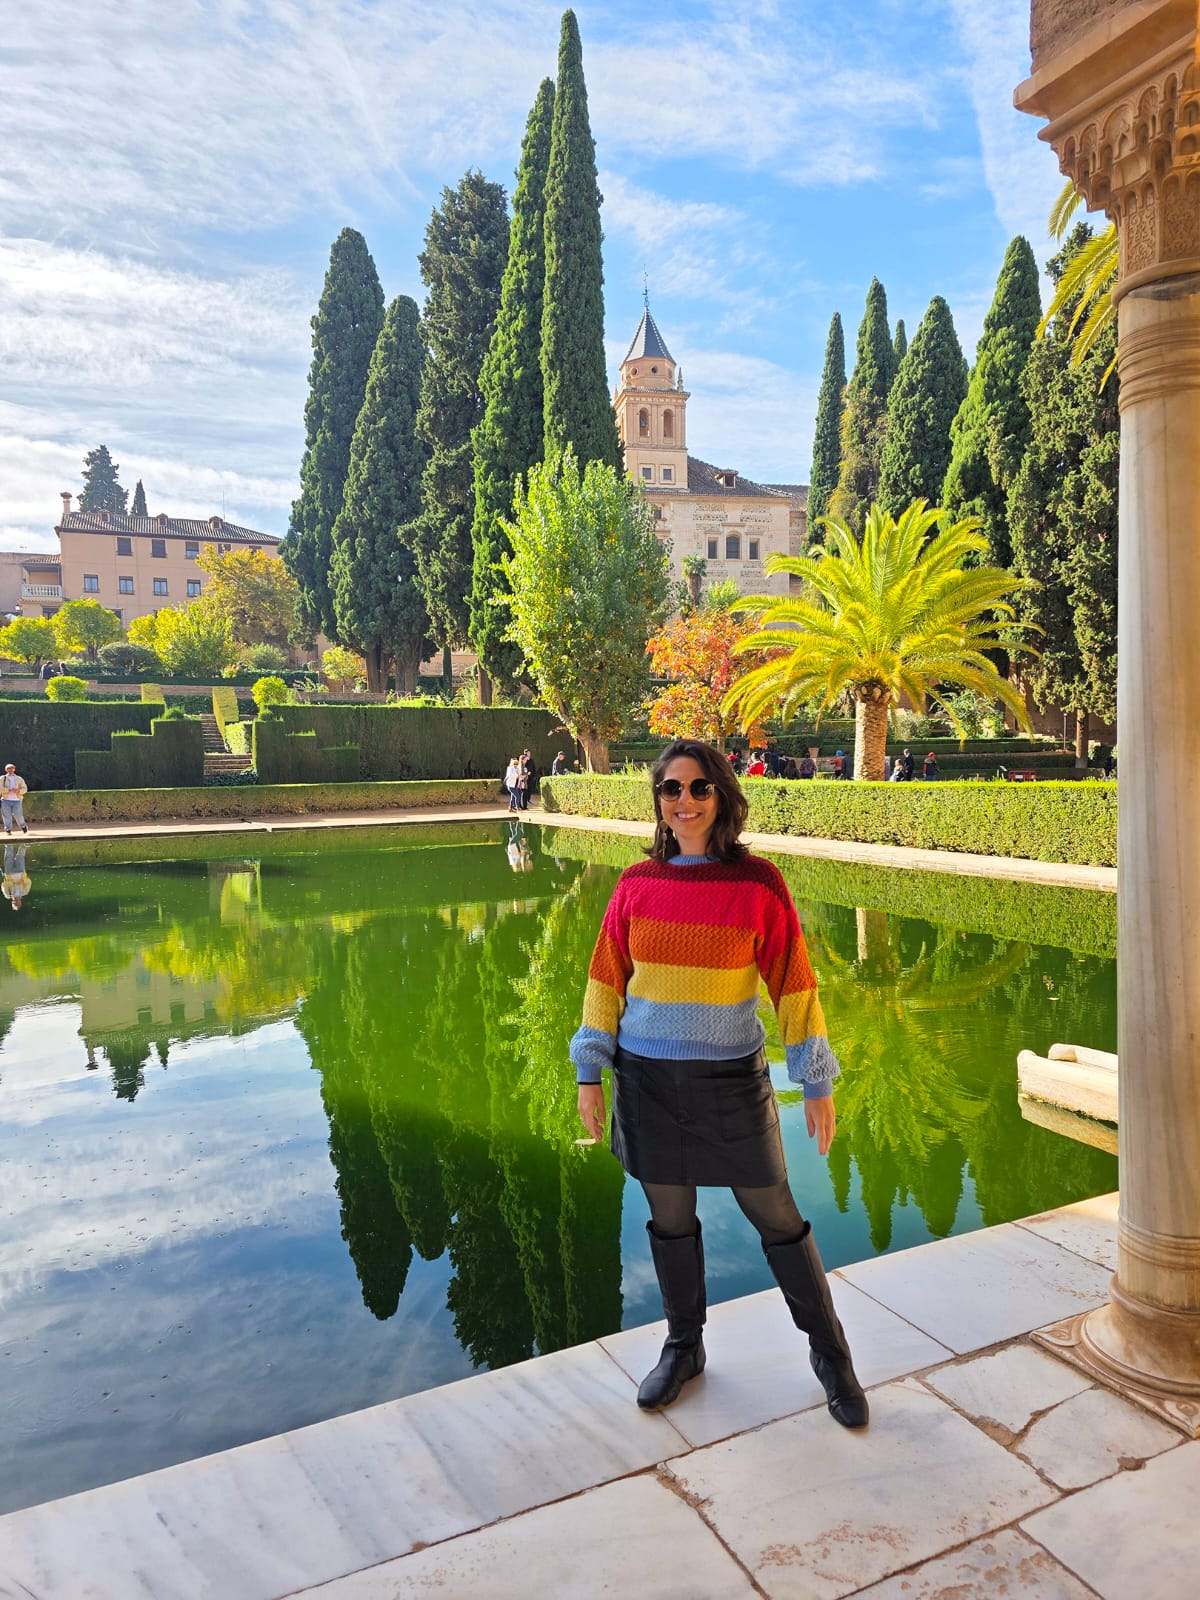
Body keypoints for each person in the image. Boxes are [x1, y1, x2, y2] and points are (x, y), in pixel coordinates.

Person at [571, 738, 868, 1428]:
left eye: (698, 787)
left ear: (722, 796)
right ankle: (684, 1348)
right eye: (670, 789)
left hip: (732, 1081)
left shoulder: (757, 883)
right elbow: (605, 983)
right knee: (670, 1221)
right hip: (647, 1081)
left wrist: (815, 1078)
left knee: (779, 1219)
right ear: (658, 802)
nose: (684, 801)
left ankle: (833, 1360)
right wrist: (592, 1071)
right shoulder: (635, 886)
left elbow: (793, 980)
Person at [2, 842, 30, 910]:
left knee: (8, 857)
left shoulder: (8, 894)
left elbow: (3, 885)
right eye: (17, 903)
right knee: (20, 857)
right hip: (20, 872)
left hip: (9, 873)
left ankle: (9, 842)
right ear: (20, 902)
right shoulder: (25, 892)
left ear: (12, 902)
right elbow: (28, 882)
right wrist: (21, 881)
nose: (16, 901)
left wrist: (13, 884)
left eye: (14, 903)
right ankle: (24, 842)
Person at [2, 764, 28, 834]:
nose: (10, 770)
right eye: (8, 768)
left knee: (19, 815)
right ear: (6, 770)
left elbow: (24, 788)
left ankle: (23, 826)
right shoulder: (2, 778)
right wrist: (8, 790)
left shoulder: (19, 778)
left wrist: (19, 791)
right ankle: (8, 830)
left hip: (17, 800)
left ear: (14, 769)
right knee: (6, 815)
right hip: (5, 800)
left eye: (12, 768)